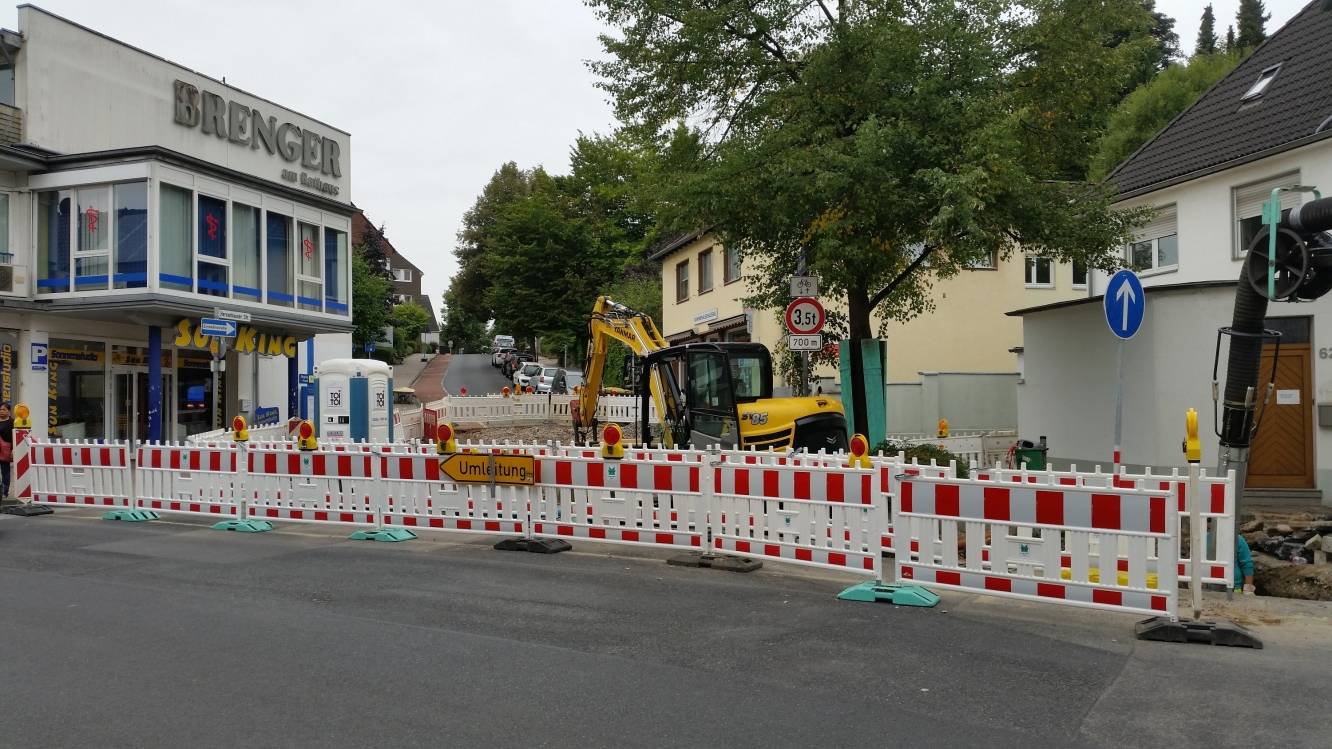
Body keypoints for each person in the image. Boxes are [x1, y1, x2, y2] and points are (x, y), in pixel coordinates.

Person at [0, 401, 12, 499]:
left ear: (9, 411)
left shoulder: (12, 422)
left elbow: (15, 438)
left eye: (4, 409)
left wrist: (13, 450)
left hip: (5, 450)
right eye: (0, 409)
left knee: (5, 471)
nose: (1, 411)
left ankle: (5, 492)